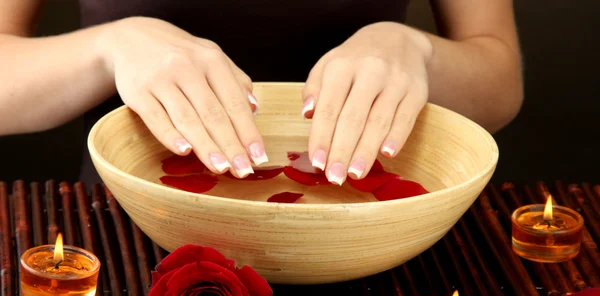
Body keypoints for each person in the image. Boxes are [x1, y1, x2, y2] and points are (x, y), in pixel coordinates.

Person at [0, 0, 523, 185]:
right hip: (131, 229)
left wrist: (417, 49)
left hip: (368, 224)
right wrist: (108, 47)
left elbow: (500, 82)